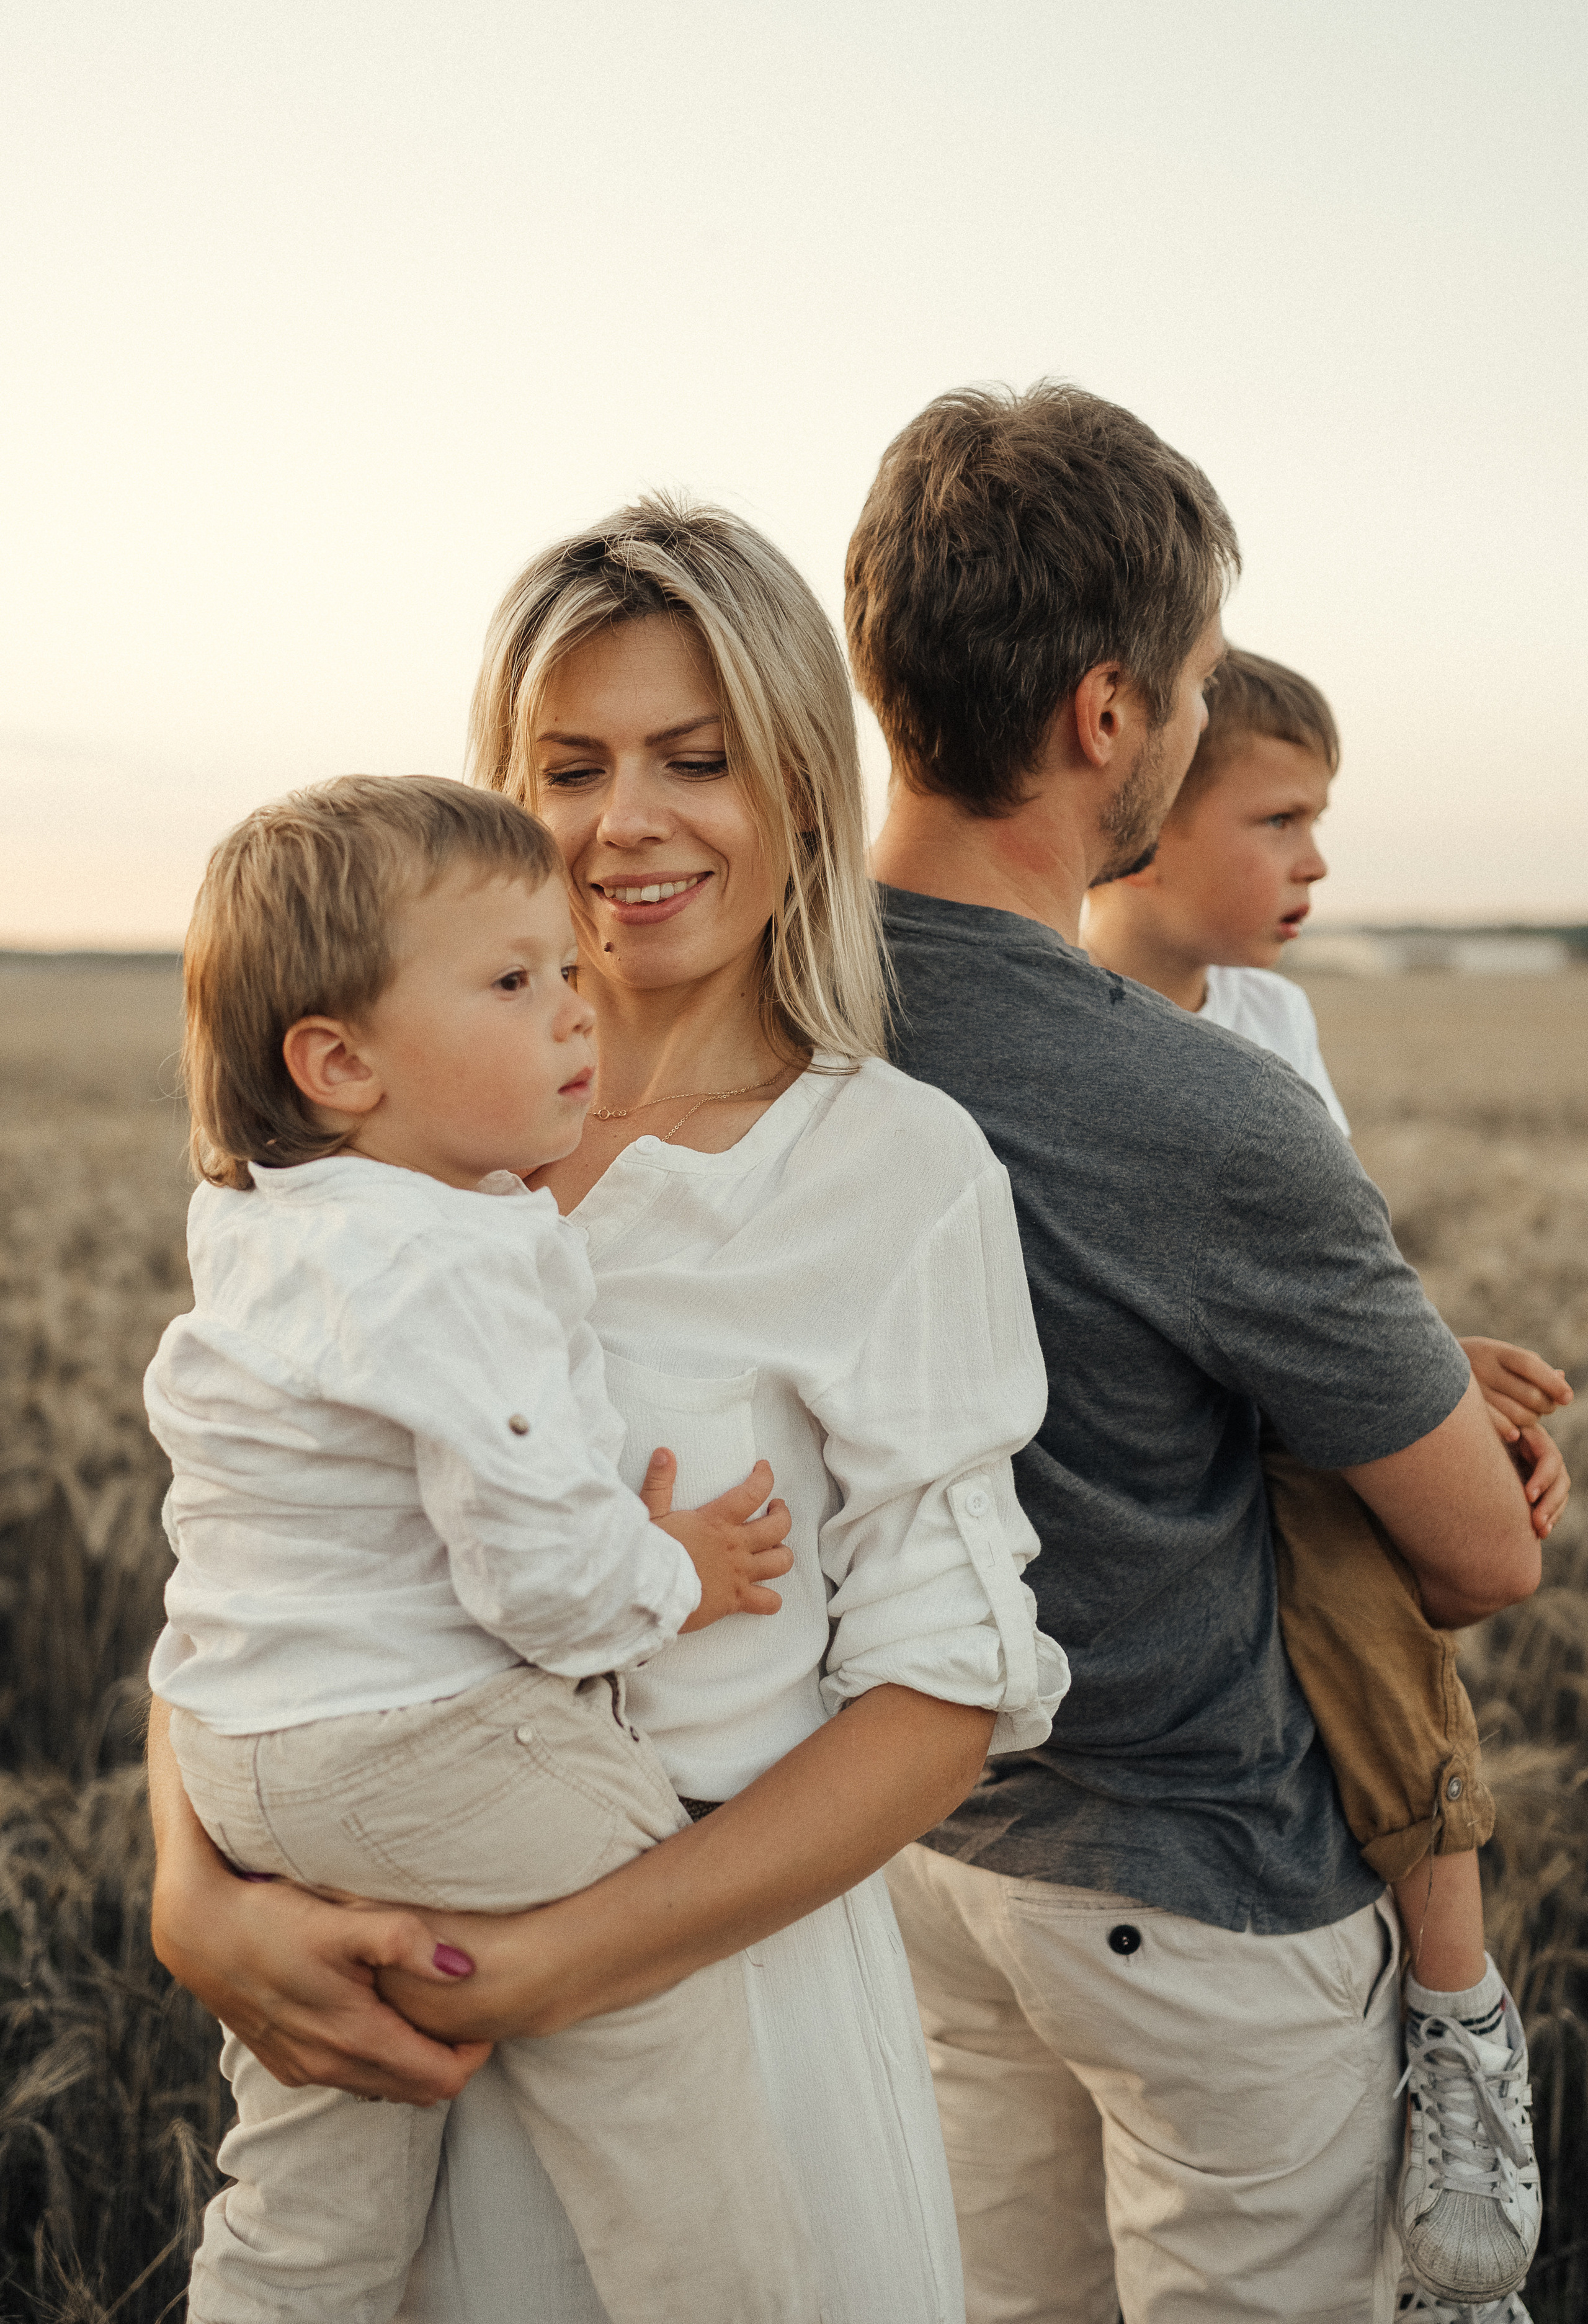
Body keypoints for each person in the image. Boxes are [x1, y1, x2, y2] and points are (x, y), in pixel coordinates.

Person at [145, 499, 1069, 2324]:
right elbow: (253, 1560)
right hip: (384, 2044)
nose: (627, 820)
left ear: (799, 787)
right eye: (570, 764)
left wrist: (553, 1962)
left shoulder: (893, 1170)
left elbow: (939, 1701)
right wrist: (199, 1906)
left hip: (713, 2039)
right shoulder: (377, 1163)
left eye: (696, 759)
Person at [846, 381, 1546, 2324]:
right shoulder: (1202, 1106)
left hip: (916, 1862)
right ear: (1107, 714)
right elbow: (1483, 1560)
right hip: (1199, 1886)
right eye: (1196, 677)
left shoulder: (759, 1020)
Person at [147, 772, 825, 2323]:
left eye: (567, 974)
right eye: (515, 983)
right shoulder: (453, 1256)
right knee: (671, 2096)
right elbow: (543, 1580)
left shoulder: (272, 1225)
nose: (573, 1015)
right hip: (430, 1749)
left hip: (246, 1762)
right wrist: (676, 1570)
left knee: (316, 2175)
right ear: (336, 1061)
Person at [1084, 649, 1571, 2317]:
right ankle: (1457, 1989)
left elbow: (1334, 1274)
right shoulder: (1067, 1027)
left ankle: (1457, 2020)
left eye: (1323, 822)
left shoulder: (1275, 1018)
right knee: (1377, 1576)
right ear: (1138, 818)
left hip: (1295, 1417)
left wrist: (1448, 1364)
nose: (1318, 864)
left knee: (1385, 1560)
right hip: (1182, 1459)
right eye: (1280, 819)